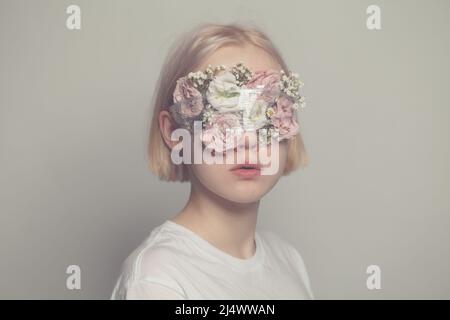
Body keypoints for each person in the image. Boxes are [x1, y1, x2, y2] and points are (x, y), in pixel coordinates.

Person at [111, 23, 313, 300]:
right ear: (174, 133)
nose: (248, 141)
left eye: (267, 114)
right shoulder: (157, 279)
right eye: (222, 115)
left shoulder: (289, 261)